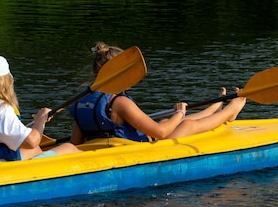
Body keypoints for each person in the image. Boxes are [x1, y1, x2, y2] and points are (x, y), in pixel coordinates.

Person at [70, 42, 247, 144]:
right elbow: (161, 133)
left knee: (166, 120)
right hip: (140, 150)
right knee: (185, 125)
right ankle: (228, 112)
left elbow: (76, 143)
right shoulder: (120, 103)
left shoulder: (82, 101)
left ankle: (213, 109)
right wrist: (179, 113)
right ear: (121, 75)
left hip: (112, 149)